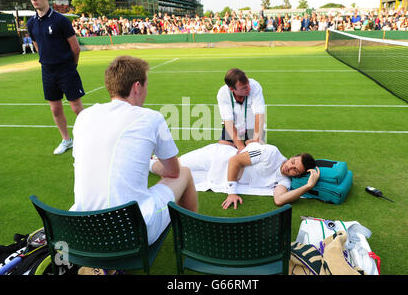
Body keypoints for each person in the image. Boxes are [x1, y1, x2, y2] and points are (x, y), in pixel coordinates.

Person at [70, 55, 198, 244]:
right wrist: (155, 165)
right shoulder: (151, 118)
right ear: (137, 87)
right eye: (146, 86)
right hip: (131, 231)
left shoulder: (84, 116)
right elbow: (173, 172)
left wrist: (148, 163)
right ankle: (191, 237)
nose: (146, 91)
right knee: (184, 173)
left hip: (85, 230)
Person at [25, 0, 84, 154]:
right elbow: (38, 47)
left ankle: (91, 138)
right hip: (47, 71)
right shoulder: (31, 23)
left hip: (66, 69)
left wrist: (71, 66)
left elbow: (75, 48)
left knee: (76, 107)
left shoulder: (61, 20)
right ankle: (66, 140)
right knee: (55, 108)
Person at [177, 142, 320, 210]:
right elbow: (235, 160)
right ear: (292, 157)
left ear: (298, 175)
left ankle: (154, 162)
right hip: (216, 157)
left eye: (295, 170)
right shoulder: (271, 153)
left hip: (216, 179)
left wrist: (309, 186)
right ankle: (154, 161)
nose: (290, 167)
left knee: (174, 175)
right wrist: (232, 192)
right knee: (175, 165)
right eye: (293, 162)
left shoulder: (284, 180)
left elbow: (279, 200)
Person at [217, 68, 266, 153]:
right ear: (232, 89)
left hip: (252, 123)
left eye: (248, 84)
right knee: (223, 148)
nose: (249, 89)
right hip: (234, 124)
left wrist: (255, 142)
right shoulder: (222, 93)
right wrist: (240, 146)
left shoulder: (255, 85)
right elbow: (228, 121)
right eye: (244, 88)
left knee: (257, 149)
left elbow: (259, 114)